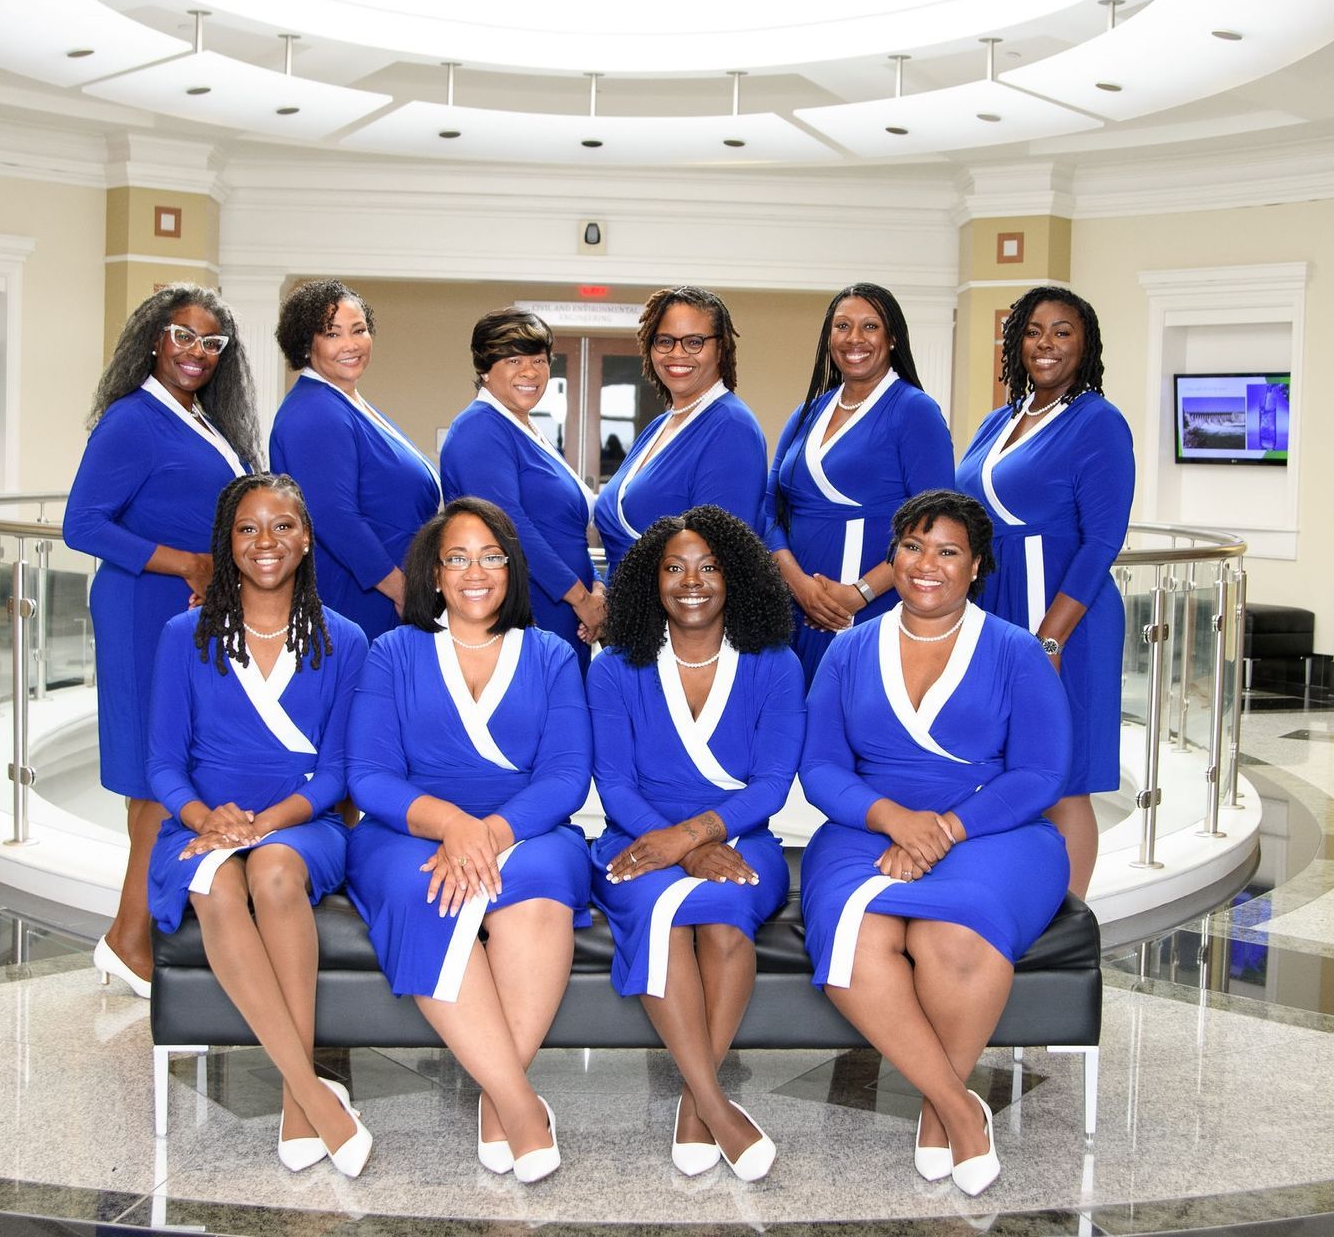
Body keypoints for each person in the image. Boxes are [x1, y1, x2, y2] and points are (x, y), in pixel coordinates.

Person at [798, 490, 1070, 1197]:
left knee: (950, 935)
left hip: (994, 829)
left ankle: (934, 1105)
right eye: (913, 547)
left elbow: (1042, 773)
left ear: (975, 566)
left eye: (948, 551)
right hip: (867, 828)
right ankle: (956, 1106)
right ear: (892, 556)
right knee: (857, 938)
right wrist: (895, 819)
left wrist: (944, 829)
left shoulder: (1016, 650)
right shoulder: (848, 649)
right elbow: (820, 768)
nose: (926, 564)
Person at [343, 499, 592, 1184]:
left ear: (512, 569)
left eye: (490, 557)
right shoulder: (393, 652)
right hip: (411, 830)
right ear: (434, 573)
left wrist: (490, 831)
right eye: (457, 558)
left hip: (527, 828)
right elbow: (369, 776)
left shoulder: (551, 655)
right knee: (427, 889)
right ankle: (519, 1107)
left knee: (541, 887)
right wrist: (452, 825)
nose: (475, 572)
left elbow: (567, 776)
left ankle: (494, 1099)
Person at [145, 474, 372, 1176]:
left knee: (273, 871)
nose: (265, 541)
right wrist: (204, 818)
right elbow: (162, 765)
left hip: (303, 824)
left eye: (282, 526)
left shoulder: (345, 639)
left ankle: (297, 1100)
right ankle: (309, 1094)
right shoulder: (184, 635)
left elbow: (338, 774)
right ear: (228, 542)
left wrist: (264, 825)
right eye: (247, 528)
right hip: (201, 824)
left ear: (305, 540)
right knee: (216, 885)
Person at [588, 506, 802, 1182]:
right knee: (663, 914)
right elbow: (615, 785)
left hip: (741, 840)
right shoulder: (614, 667)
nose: (691, 582)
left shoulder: (776, 664)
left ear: (735, 577)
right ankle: (713, 1105)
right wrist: (681, 847)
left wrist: (694, 835)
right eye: (673, 568)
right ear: (649, 582)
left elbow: (772, 785)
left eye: (709, 567)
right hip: (636, 840)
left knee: (726, 917)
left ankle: (693, 1100)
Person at [64, 283, 257, 998]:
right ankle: (128, 939)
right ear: (154, 339)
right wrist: (187, 564)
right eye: (183, 336)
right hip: (143, 610)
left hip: (187, 617)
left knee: (168, 775)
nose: (196, 352)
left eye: (212, 343)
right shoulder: (131, 419)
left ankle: (141, 930)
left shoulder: (200, 418)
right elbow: (82, 524)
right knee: (153, 781)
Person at [955, 287, 1132, 897]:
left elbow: (1102, 541)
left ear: (1086, 344)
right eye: (1033, 331)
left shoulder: (1099, 422)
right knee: (1002, 768)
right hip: (997, 606)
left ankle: (1070, 917)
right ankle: (1013, 897)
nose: (1046, 344)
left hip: (1065, 617)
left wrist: (1049, 641)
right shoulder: (998, 420)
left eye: (1062, 331)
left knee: (1063, 777)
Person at [765, 283, 955, 680]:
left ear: (892, 338)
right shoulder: (807, 412)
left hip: (868, 609)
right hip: (794, 607)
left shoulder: (915, 411)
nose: (854, 338)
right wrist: (798, 584)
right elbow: (768, 507)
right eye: (842, 326)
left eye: (870, 326)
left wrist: (859, 593)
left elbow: (934, 525)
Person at [269, 279, 440, 640]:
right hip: (363, 597)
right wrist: (401, 590)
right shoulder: (315, 412)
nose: (350, 344)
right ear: (306, 343)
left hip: (389, 592)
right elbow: (333, 517)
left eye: (359, 330)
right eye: (332, 334)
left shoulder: (347, 402)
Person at [439, 308, 604, 665]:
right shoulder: (480, 429)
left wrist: (596, 589)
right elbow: (509, 526)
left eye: (539, 360)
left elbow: (563, 531)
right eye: (514, 360)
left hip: (565, 609)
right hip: (528, 608)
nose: (530, 371)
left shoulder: (526, 428)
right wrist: (580, 598)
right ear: (485, 368)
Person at [593, 287, 767, 570]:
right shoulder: (660, 426)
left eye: (694, 342)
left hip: (678, 599)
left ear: (720, 349)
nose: (677, 353)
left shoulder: (731, 426)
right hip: (625, 596)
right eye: (665, 341)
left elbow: (720, 558)